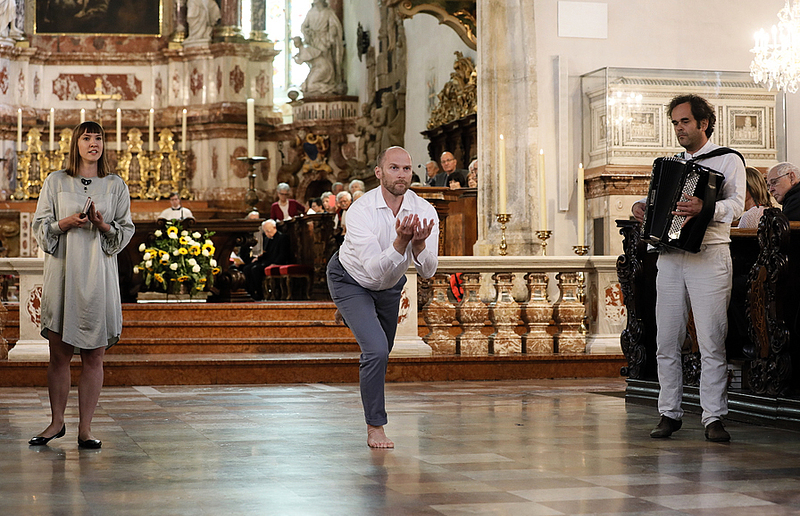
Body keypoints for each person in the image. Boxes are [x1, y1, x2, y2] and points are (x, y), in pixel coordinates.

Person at [631, 94, 745, 443]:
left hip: (709, 254)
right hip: (670, 256)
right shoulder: (669, 163)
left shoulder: (727, 160)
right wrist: (642, 207)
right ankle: (669, 412)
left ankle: (713, 417)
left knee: (711, 338)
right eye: (675, 123)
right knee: (666, 338)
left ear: (703, 123)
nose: (679, 128)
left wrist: (705, 207)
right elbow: (659, 204)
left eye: (684, 122)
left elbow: (737, 205)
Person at [29, 121, 135, 449]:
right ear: (76, 143)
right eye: (87, 138)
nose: (93, 143)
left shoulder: (115, 185)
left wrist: (102, 224)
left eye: (99, 138)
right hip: (64, 273)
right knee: (59, 354)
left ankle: (85, 428)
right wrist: (65, 222)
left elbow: (125, 230)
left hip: (98, 275)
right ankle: (56, 422)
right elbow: (40, 225)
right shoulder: (56, 181)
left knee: (94, 355)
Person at [326, 146, 438, 448]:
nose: (401, 175)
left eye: (406, 168)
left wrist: (418, 248)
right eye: (393, 168)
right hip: (350, 278)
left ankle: (353, 313)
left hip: (388, 286)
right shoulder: (360, 210)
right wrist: (401, 242)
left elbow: (428, 271)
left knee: (383, 349)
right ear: (379, 172)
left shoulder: (425, 211)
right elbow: (374, 270)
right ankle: (375, 426)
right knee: (375, 351)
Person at [243, 219, 290, 301]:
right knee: (247, 268)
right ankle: (251, 292)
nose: (267, 234)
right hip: (267, 261)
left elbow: (283, 254)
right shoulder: (267, 238)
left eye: (268, 231)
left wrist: (275, 263)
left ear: (274, 228)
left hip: (276, 262)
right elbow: (266, 253)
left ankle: (260, 293)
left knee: (256, 270)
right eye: (265, 232)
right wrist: (258, 258)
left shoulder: (282, 238)